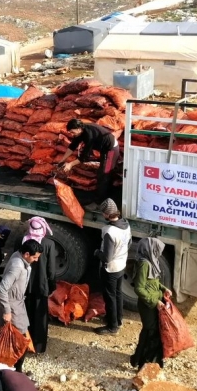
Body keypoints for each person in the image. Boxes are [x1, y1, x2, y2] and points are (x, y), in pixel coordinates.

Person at [0, 240, 43, 372]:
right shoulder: (17, 266)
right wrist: (7, 311)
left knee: (14, 337)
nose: (36, 260)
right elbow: (1, 289)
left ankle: (9, 366)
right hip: (12, 305)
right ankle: (17, 370)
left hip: (17, 303)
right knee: (21, 338)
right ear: (26, 254)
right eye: (35, 257)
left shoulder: (17, 255)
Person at [58, 119, 120, 208]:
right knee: (102, 172)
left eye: (72, 132)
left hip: (111, 150)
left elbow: (84, 157)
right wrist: (63, 160)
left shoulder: (89, 135)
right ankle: (104, 194)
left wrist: (70, 164)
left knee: (104, 173)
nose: (72, 134)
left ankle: (101, 201)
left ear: (78, 128)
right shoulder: (79, 133)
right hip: (104, 150)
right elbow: (72, 146)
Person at [130, 237, 171, 370]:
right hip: (148, 305)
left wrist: (164, 289)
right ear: (150, 250)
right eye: (157, 250)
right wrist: (155, 301)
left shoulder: (152, 262)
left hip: (154, 303)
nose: (159, 253)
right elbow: (139, 288)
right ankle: (145, 362)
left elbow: (153, 282)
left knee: (151, 332)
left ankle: (139, 359)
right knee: (151, 332)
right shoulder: (144, 264)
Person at [16, 218, 56, 353]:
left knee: (25, 314)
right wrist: (52, 285)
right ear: (43, 229)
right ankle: (39, 347)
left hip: (25, 285)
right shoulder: (49, 244)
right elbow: (51, 269)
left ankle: (25, 343)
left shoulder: (23, 241)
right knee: (40, 316)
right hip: (41, 286)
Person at [94, 199, 131, 336]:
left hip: (111, 268)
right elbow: (129, 243)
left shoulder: (110, 231)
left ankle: (112, 326)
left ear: (106, 214)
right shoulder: (126, 225)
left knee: (110, 297)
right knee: (118, 293)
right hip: (122, 264)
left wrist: (97, 253)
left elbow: (107, 257)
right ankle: (118, 319)